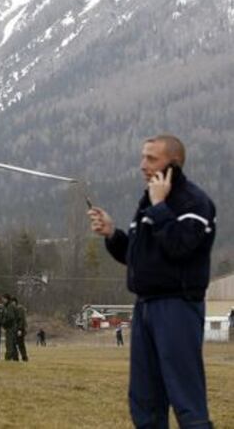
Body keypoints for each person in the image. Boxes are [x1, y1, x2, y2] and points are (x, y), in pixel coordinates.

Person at [88, 134, 216, 428]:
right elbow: (139, 258)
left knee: (186, 397)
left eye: (151, 158)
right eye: (143, 157)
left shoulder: (194, 203)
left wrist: (159, 207)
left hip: (178, 306)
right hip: (145, 306)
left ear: (174, 163)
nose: (142, 165)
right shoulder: (149, 202)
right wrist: (112, 234)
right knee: (145, 399)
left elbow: (180, 247)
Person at [2, 293, 18, 361]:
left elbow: (11, 317)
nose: (2, 300)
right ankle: (15, 359)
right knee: (13, 344)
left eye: (3, 299)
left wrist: (4, 324)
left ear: (7, 299)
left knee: (9, 344)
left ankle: (8, 358)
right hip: (11, 327)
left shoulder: (10, 307)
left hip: (10, 328)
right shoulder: (7, 306)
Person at [14, 297, 28, 362]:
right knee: (14, 344)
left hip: (20, 329)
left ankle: (24, 357)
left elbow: (21, 320)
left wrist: (20, 329)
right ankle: (16, 358)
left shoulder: (20, 309)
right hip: (16, 329)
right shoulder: (15, 309)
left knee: (21, 344)